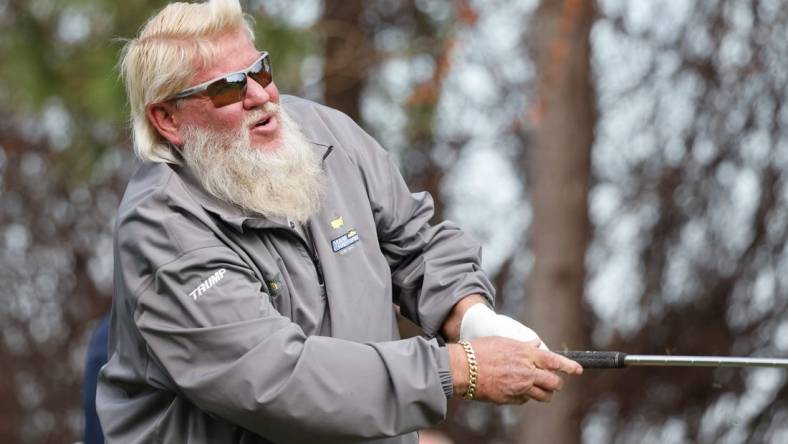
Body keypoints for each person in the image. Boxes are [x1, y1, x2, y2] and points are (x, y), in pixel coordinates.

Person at [96, 1, 583, 443]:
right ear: (168, 119)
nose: (260, 96)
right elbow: (276, 379)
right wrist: (458, 369)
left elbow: (414, 244)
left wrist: (473, 316)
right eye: (226, 88)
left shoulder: (322, 132)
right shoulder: (163, 227)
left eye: (260, 70)